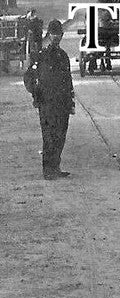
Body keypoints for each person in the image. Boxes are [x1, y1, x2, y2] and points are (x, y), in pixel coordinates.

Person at [23, 19, 73, 180]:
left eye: (58, 34)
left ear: (62, 35)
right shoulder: (41, 56)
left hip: (62, 103)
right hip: (47, 103)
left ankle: (56, 167)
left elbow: (68, 79)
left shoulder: (63, 56)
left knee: (60, 135)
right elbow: (29, 77)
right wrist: (35, 93)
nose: (56, 37)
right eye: (53, 34)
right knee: (49, 136)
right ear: (48, 35)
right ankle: (48, 169)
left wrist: (71, 101)